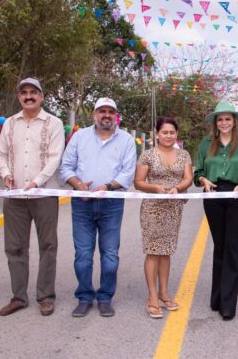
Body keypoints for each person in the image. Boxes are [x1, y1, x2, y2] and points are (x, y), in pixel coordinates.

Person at [60, 98, 136, 318]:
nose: (106, 115)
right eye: (102, 111)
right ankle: (84, 297)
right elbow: (66, 167)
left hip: (111, 203)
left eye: (111, 112)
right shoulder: (80, 137)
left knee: (110, 254)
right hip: (82, 203)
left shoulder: (127, 140)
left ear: (116, 116)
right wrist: (79, 185)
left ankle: (105, 297)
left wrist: (108, 187)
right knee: (83, 254)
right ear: (94, 115)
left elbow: (127, 173)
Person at [0, 77, 65, 317]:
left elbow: (56, 157)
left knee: (48, 245)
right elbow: (1, 153)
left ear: (42, 96)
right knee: (14, 247)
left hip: (44, 194)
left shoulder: (54, 123)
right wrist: (5, 174)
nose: (28, 96)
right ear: (18, 97)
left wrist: (37, 181)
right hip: (15, 196)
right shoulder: (10, 124)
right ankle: (18, 297)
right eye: (24, 93)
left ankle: (45, 296)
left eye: (33, 92)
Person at [194, 102, 238, 321]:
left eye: (228, 119)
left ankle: (228, 304)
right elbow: (198, 172)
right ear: (215, 122)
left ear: (235, 121)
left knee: (232, 248)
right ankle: (217, 298)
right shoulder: (206, 143)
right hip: (213, 195)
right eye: (220, 119)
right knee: (219, 246)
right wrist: (203, 179)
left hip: (237, 196)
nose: (224, 123)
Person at [134, 117, 193, 319]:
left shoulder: (184, 154)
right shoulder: (147, 155)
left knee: (166, 251)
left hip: (173, 208)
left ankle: (164, 292)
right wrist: (156, 188)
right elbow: (138, 182)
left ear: (176, 134)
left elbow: (188, 178)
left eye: (172, 132)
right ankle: (152, 297)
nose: (168, 136)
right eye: (164, 132)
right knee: (153, 252)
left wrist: (178, 188)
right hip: (152, 208)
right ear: (157, 133)